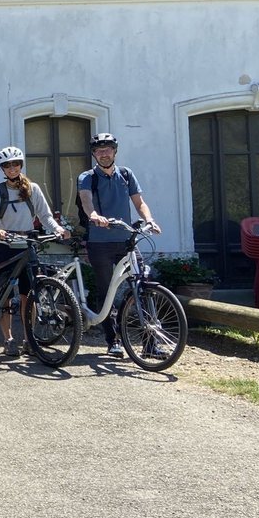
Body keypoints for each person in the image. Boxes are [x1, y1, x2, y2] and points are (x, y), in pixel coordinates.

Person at [77, 132, 161, 358]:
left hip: (126, 241)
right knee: (106, 291)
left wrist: (149, 219)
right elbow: (86, 200)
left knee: (144, 286)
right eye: (99, 150)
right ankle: (113, 340)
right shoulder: (87, 177)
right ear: (94, 154)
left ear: (115, 151)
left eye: (108, 149)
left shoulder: (126, 174)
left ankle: (151, 343)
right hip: (100, 242)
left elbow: (139, 202)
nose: (104, 154)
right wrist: (94, 215)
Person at [0, 146, 70, 357]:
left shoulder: (33, 189)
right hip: (4, 245)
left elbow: (45, 215)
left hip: (27, 245)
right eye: (7, 165)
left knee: (28, 295)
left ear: (21, 165)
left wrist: (58, 229)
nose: (12, 168)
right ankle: (8, 340)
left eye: (15, 164)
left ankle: (28, 339)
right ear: (2, 169)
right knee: (5, 295)